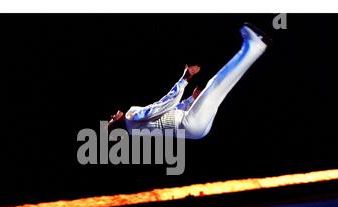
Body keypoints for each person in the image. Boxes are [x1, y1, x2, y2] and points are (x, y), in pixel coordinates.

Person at [107, 23, 270, 139]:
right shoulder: (130, 117)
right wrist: (184, 80)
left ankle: (253, 47)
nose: (112, 115)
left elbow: (167, 113)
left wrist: (191, 99)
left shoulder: (134, 129)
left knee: (217, 88)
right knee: (216, 85)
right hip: (189, 123)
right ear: (115, 125)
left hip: (194, 129)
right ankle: (254, 46)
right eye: (111, 120)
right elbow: (163, 105)